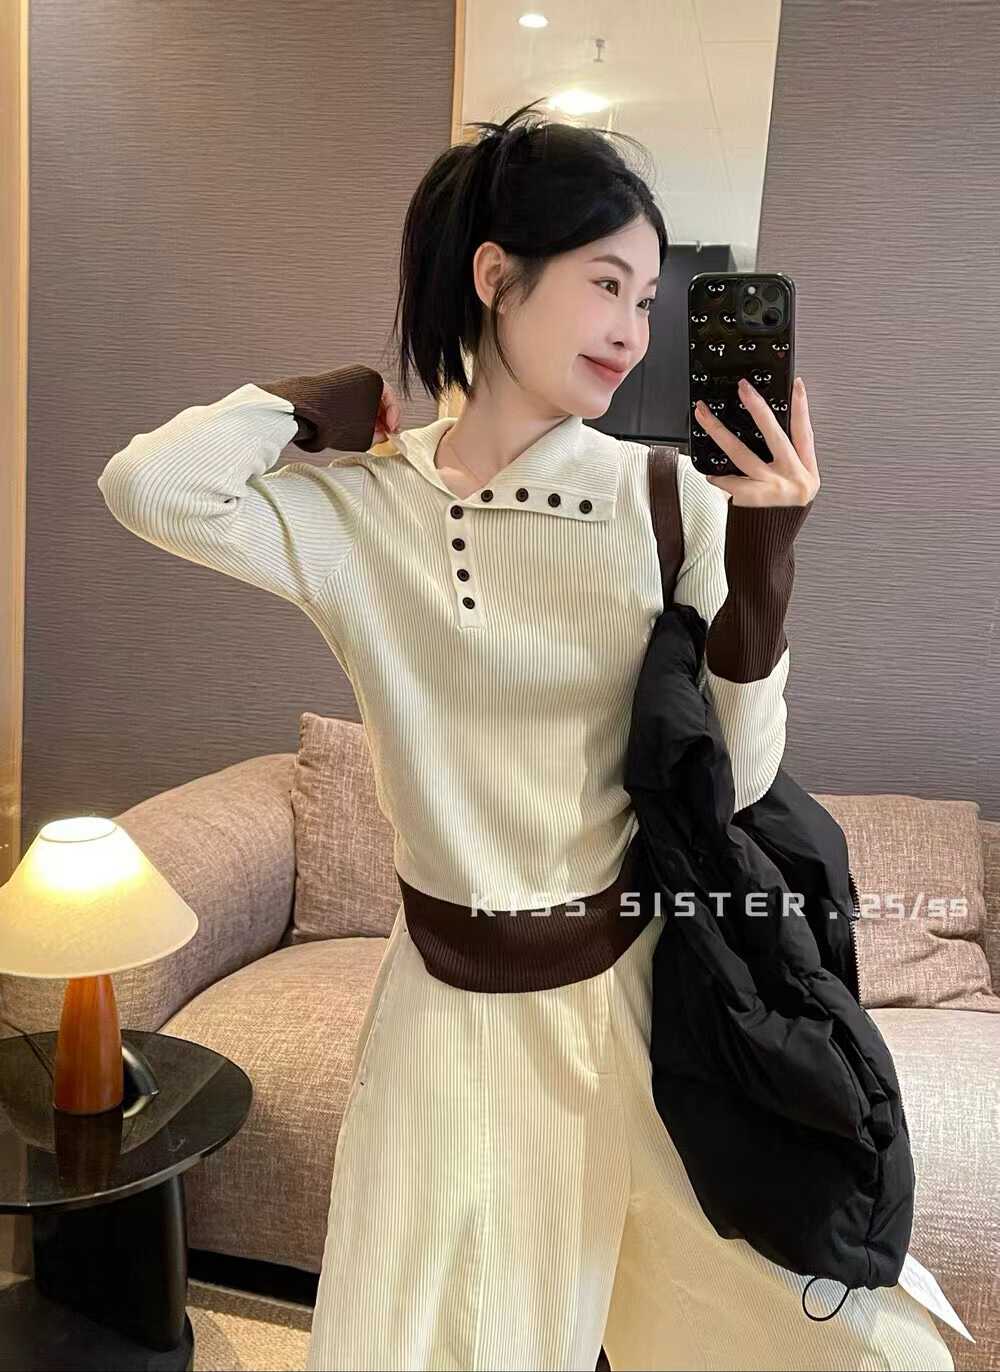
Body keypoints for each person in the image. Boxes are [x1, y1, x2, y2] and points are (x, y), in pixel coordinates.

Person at [96, 99, 954, 1372]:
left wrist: (765, 559)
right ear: (497, 277)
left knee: (825, 1339)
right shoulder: (367, 509)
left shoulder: (667, 498)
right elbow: (147, 487)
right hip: (437, 1011)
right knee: (422, 1338)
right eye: (606, 283)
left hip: (626, 1000)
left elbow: (741, 773)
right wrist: (302, 403)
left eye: (648, 299)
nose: (633, 329)